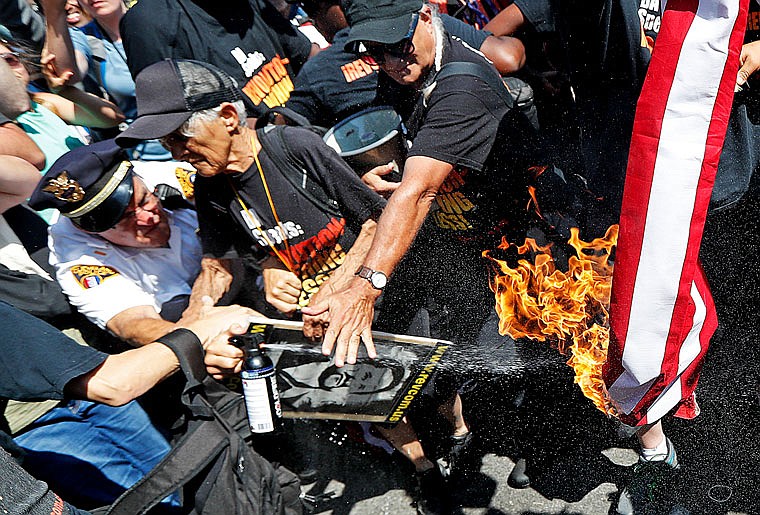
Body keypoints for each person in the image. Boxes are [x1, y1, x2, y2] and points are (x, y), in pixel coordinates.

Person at [0, 297, 254, 508]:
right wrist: (202, 330)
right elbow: (114, 384)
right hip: (33, 420)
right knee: (142, 506)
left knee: (195, 487)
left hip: (87, 376)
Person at [27, 139, 235, 346]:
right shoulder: (78, 257)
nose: (148, 218)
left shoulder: (162, 177)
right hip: (176, 321)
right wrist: (202, 340)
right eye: (126, 219)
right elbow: (133, 323)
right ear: (88, 230)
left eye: (146, 201)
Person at [284, 0, 526, 129]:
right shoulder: (318, 71)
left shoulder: (425, 29)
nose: (391, 63)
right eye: (374, 55)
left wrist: (463, 57)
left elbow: (510, 59)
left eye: (399, 45)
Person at [119, 0, 320, 118]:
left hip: (299, 127)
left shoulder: (250, 5)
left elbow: (307, 56)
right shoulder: (149, 22)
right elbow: (181, 127)